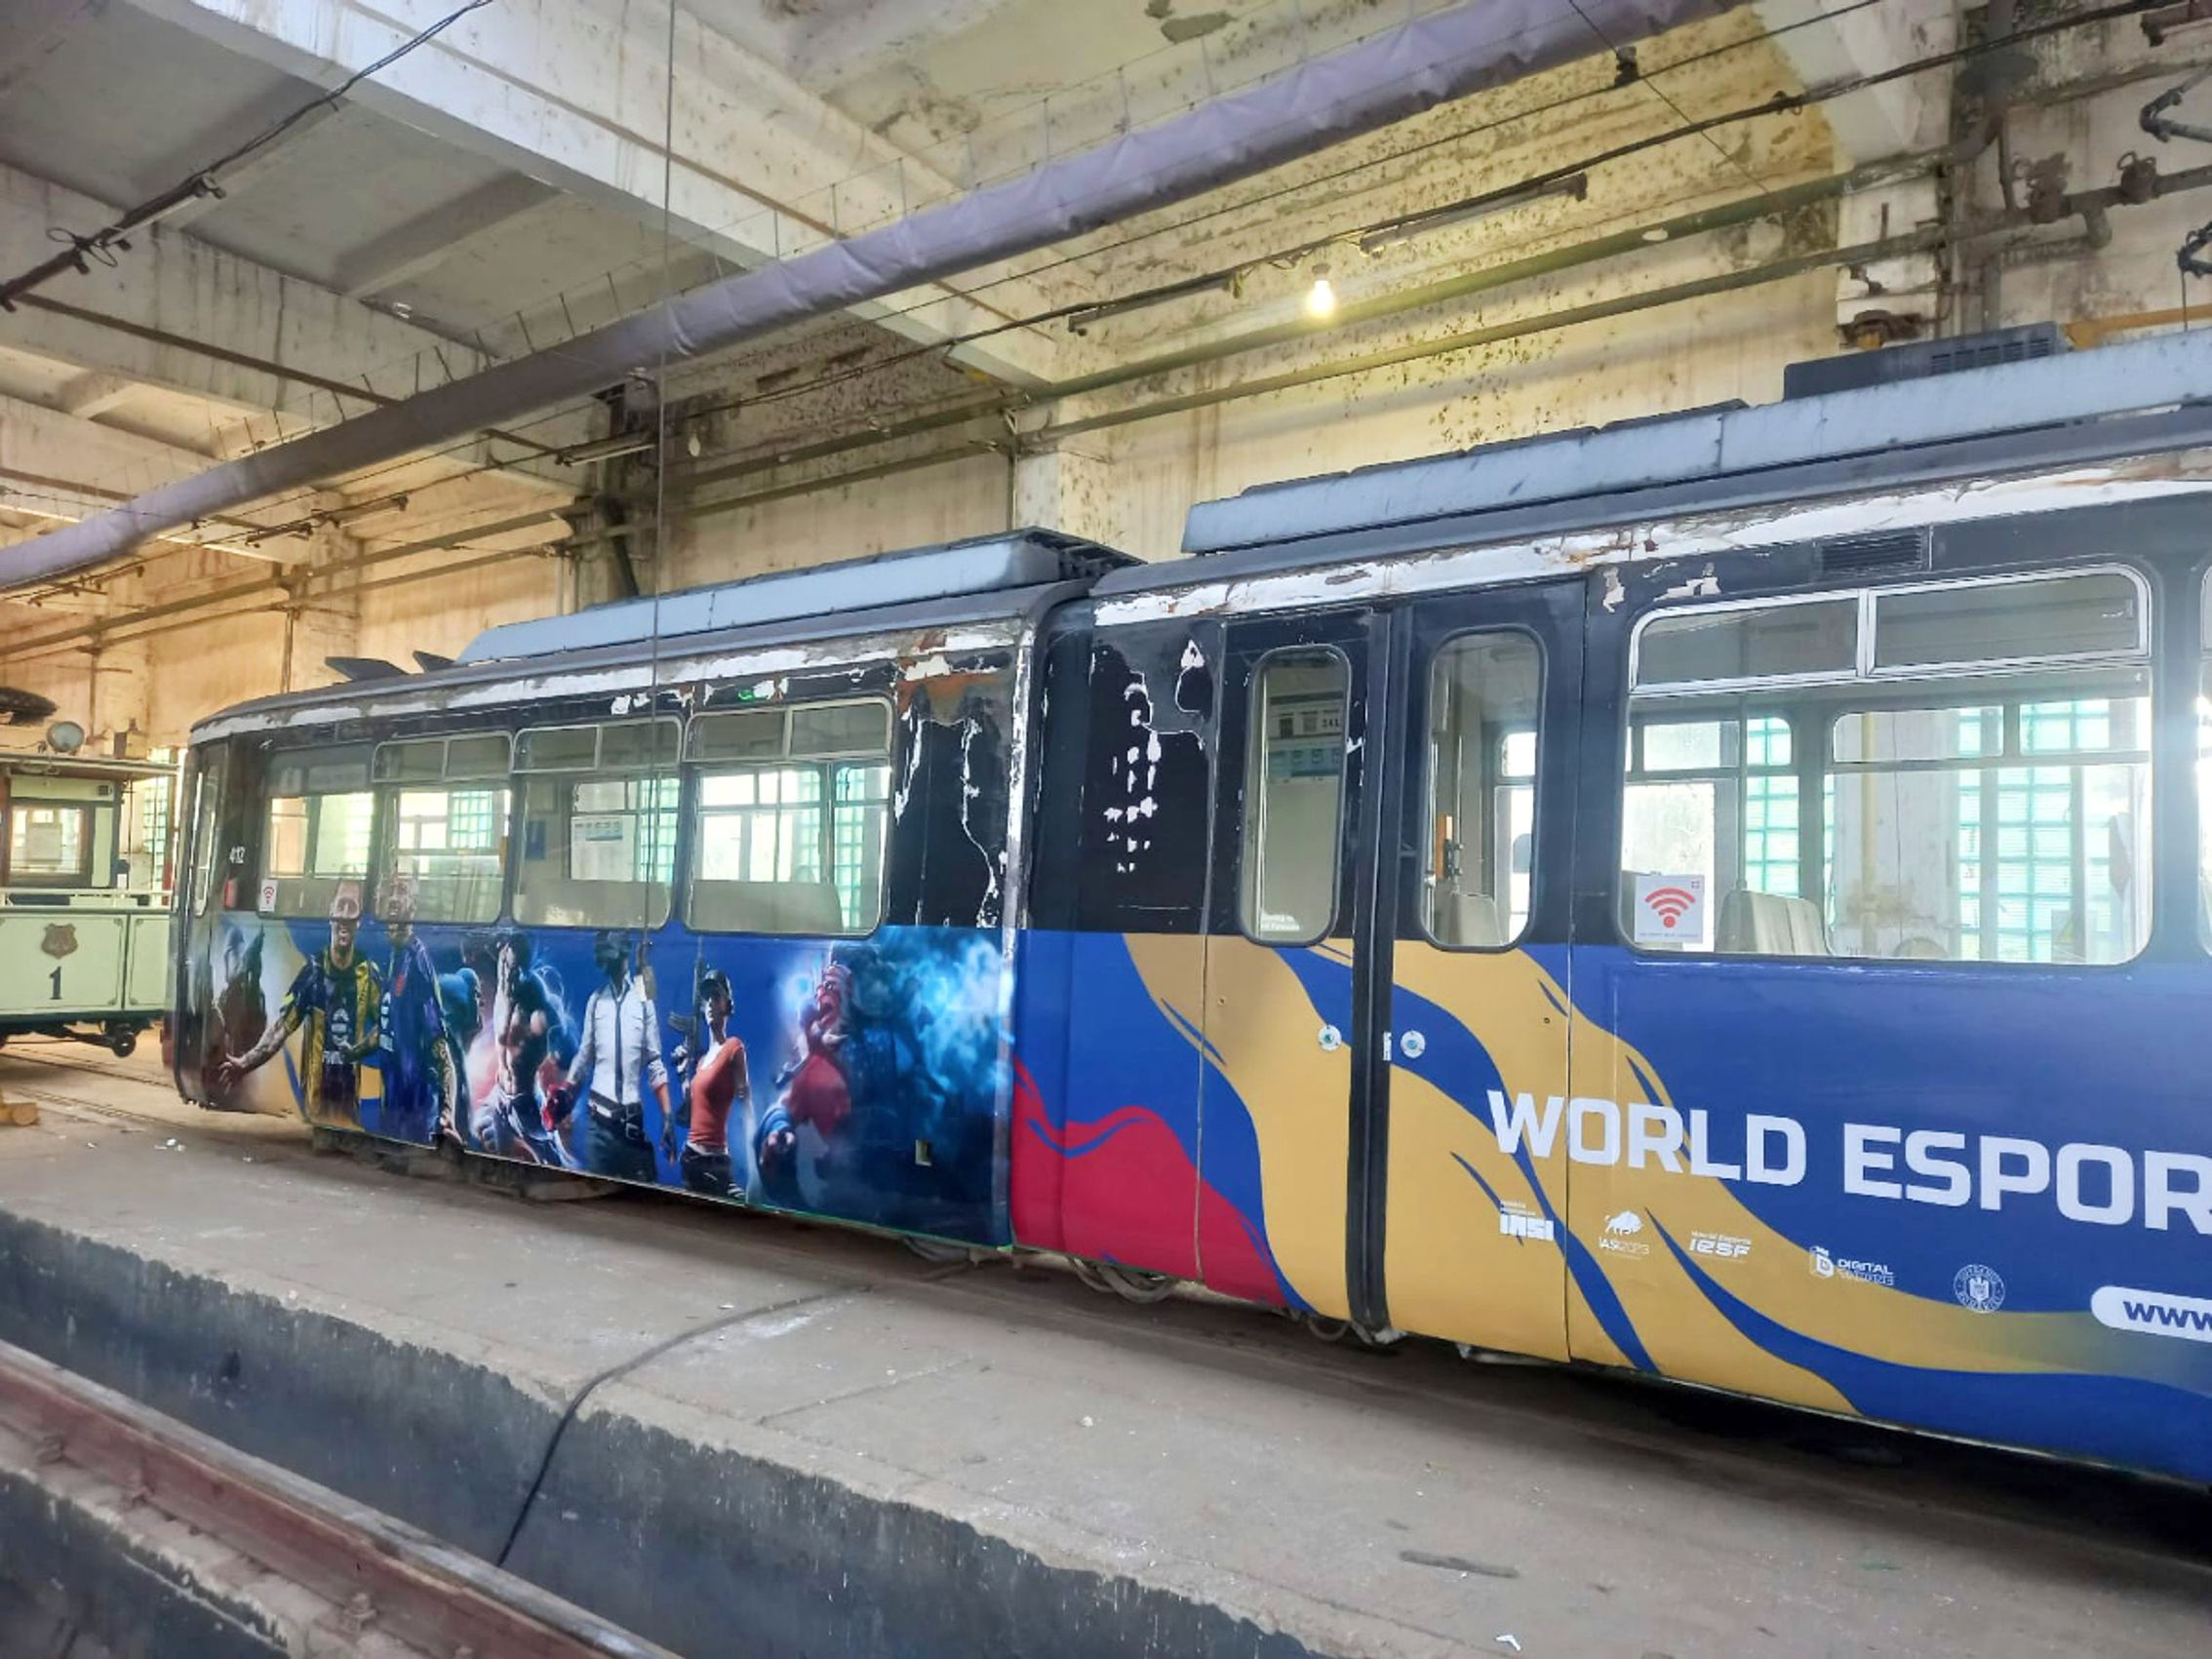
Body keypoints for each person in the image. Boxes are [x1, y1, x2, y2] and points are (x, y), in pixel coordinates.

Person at [218, 883, 379, 1125]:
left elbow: (386, 1027)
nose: (345, 916)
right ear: (331, 912)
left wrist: (358, 1051)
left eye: (352, 908)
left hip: (349, 1108)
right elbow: (280, 1029)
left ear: (359, 920)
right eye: (341, 906)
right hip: (316, 1105)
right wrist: (245, 1062)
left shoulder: (368, 974)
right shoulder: (313, 973)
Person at [560, 930, 670, 1184]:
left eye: (607, 955)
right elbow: (584, 1056)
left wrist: (667, 1116)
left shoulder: (642, 1000)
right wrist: (566, 1092)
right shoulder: (597, 1001)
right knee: (598, 1191)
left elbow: (654, 1060)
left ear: (621, 954)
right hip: (598, 1126)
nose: (603, 963)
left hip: (631, 1125)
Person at [374, 874, 456, 1145]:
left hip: (414, 1111)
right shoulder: (394, 957)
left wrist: (447, 1111)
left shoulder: (417, 961)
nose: (393, 901)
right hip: (393, 1103)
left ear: (413, 905)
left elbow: (441, 1050)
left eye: (401, 892)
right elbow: (388, 1025)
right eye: (389, 893)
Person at [476, 931, 569, 1165]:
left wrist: (559, 1090)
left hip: (526, 1105)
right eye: (507, 965)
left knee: (553, 1163)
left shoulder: (536, 1002)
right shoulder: (503, 992)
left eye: (518, 967)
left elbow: (564, 1043)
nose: (511, 973)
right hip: (500, 1097)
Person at [669, 968, 747, 1199]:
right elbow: (693, 1105)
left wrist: (754, 1166)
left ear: (727, 1004)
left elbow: (747, 1104)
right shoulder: (702, 1061)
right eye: (707, 998)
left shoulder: (733, 1047)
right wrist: (682, 1073)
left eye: (716, 996)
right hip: (691, 1158)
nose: (711, 1003)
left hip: (717, 1162)